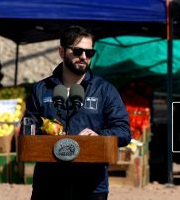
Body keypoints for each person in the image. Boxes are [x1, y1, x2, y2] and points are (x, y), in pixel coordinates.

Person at [23, 26, 131, 200]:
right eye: (78, 51)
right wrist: (43, 135)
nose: (83, 57)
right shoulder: (41, 90)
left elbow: (124, 132)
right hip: (49, 185)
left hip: (91, 187)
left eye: (89, 53)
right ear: (61, 51)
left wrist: (98, 135)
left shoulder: (105, 90)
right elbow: (28, 130)